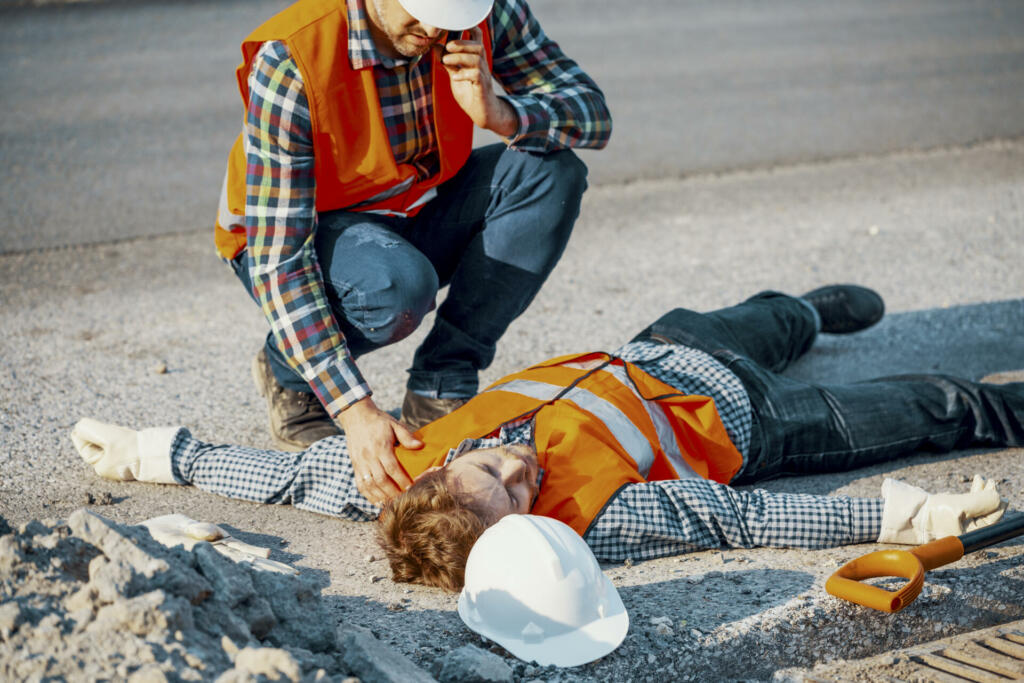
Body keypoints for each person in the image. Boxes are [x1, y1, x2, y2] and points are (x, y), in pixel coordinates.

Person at [72, 285, 1020, 592]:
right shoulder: (593, 524)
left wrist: (151, 454)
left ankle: (805, 309)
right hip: (755, 425)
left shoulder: (388, 471)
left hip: (662, 349)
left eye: (496, 466)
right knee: (940, 407)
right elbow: (747, 516)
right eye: (519, 496)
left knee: (763, 317)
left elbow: (280, 479)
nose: (523, 471)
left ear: (441, 466)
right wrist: (907, 514)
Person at [212, 0, 612, 507]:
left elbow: (594, 116)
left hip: (413, 207)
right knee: (396, 290)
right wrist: (354, 410)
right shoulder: (291, 58)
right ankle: (288, 370)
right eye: (420, 11)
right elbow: (280, 258)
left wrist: (506, 114)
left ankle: (440, 380)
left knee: (551, 174)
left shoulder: (483, 11)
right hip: (297, 233)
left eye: (452, 16)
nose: (435, 30)